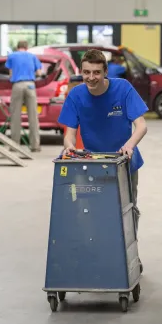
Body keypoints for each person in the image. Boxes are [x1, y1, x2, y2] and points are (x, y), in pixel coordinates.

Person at [58, 48, 148, 242]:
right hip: (93, 165)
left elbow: (141, 125)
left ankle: (129, 256)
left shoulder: (123, 89)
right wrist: (69, 146)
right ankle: (100, 251)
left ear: (105, 72)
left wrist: (129, 146)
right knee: (94, 211)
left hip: (125, 163)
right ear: (81, 72)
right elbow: (69, 135)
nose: (91, 77)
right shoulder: (76, 96)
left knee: (128, 210)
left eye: (96, 72)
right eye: (86, 72)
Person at [5, 40, 44, 151]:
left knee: (15, 116)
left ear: (17, 47)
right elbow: (39, 73)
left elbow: (10, 73)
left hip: (17, 85)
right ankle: (35, 146)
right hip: (30, 85)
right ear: (27, 47)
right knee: (33, 117)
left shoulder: (12, 56)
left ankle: (15, 145)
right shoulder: (32, 56)